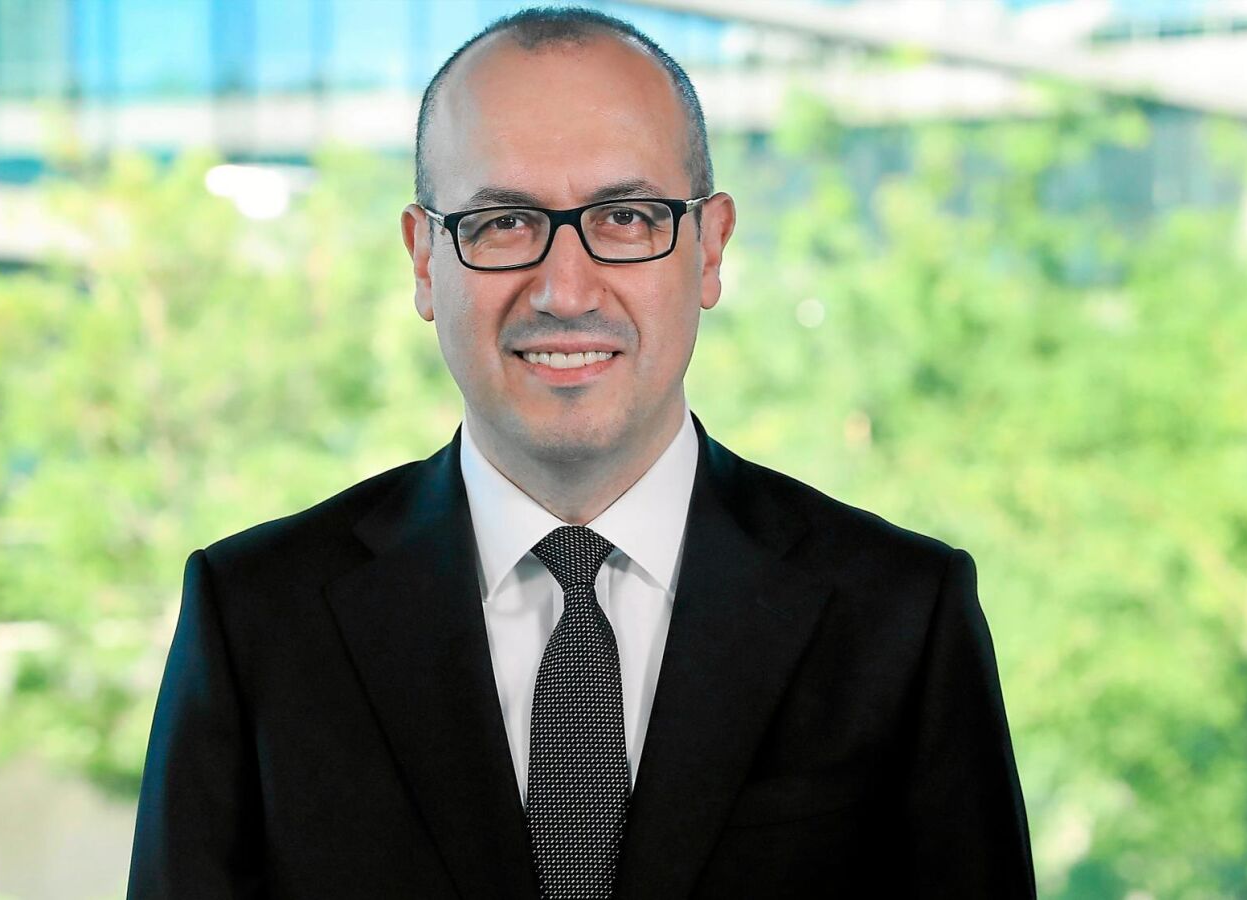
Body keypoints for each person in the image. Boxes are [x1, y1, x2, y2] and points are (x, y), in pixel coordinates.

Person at [129, 7, 1034, 898]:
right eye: (502, 223)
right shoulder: (257, 622)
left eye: (627, 217)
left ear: (711, 247)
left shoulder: (901, 619)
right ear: (424, 260)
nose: (565, 291)